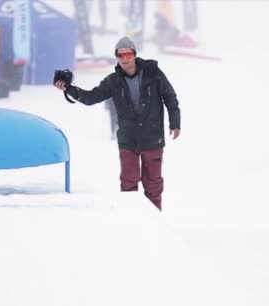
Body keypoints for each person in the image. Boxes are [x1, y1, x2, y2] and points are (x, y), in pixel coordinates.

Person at [54, 36, 181, 210]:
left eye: (128, 54)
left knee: (153, 184)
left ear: (134, 55)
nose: (125, 59)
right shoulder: (113, 81)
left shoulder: (154, 74)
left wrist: (175, 123)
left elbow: (170, 97)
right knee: (128, 183)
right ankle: (130, 220)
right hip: (128, 139)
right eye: (120, 56)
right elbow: (91, 97)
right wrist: (69, 88)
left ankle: (155, 221)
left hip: (153, 137)